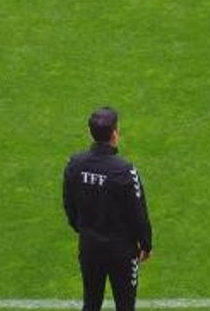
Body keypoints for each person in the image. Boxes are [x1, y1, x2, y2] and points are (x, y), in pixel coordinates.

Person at [63, 107, 153, 311]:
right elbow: (138, 212)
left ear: (90, 133)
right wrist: (146, 244)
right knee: (125, 305)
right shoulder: (125, 171)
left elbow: (69, 203)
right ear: (115, 134)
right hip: (122, 251)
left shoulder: (75, 165)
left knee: (91, 303)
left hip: (90, 247)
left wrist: (82, 229)